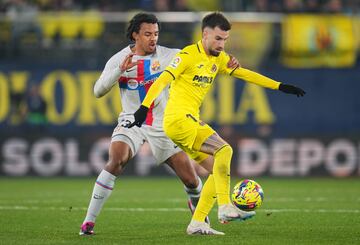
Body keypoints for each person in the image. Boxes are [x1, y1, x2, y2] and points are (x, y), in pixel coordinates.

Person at [129, 12, 306, 235]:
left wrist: (279, 86)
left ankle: (197, 222)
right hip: (179, 120)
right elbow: (163, 79)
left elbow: (245, 74)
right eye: (218, 39)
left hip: (185, 123)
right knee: (225, 149)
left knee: (217, 171)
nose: (222, 44)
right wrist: (144, 107)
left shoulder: (218, 59)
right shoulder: (187, 55)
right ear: (205, 34)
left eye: (225, 40)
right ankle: (224, 207)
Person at [79, 12, 240, 236]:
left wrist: (228, 59)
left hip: (164, 123)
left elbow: (201, 54)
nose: (153, 38)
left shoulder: (170, 55)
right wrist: (119, 71)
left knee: (192, 181)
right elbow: (97, 91)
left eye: (156, 33)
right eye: (147, 34)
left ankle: (199, 219)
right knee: (116, 160)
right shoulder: (119, 59)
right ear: (135, 35)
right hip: (132, 119)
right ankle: (88, 222)